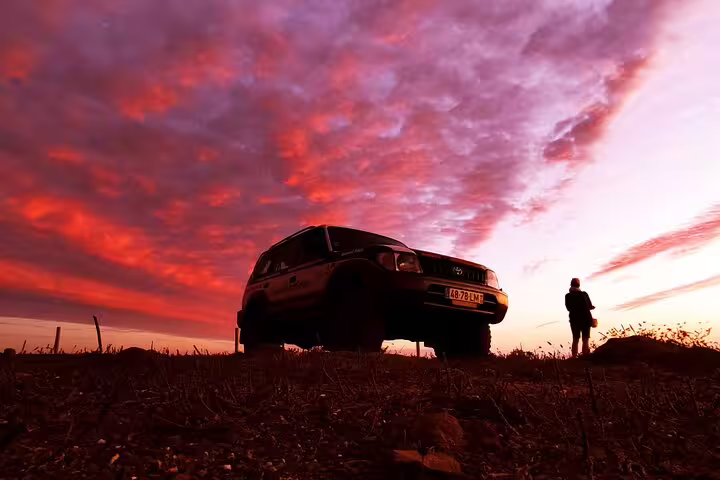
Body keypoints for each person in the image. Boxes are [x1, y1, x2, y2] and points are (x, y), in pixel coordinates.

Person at [565, 278, 595, 358]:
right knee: (585, 339)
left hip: (574, 320)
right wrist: (591, 307)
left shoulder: (567, 296)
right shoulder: (584, 294)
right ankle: (585, 356)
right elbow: (589, 306)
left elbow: (568, 308)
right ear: (579, 285)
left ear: (571, 284)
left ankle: (574, 357)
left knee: (575, 339)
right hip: (586, 319)